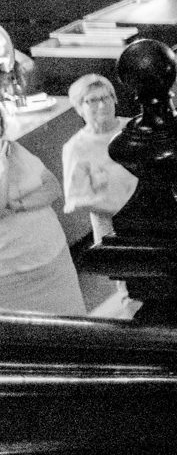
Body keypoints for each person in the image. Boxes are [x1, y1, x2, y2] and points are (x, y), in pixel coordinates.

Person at [0, 131, 85, 315]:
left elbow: (52, 188)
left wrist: (17, 205)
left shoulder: (12, 149)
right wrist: (3, 168)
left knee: (74, 330)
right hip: (8, 280)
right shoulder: (4, 157)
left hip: (53, 263)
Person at [60, 73, 136, 243]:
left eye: (106, 97)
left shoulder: (134, 128)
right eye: (92, 100)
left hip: (151, 221)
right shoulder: (76, 147)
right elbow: (77, 199)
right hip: (113, 231)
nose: (102, 105)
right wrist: (121, 210)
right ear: (79, 109)